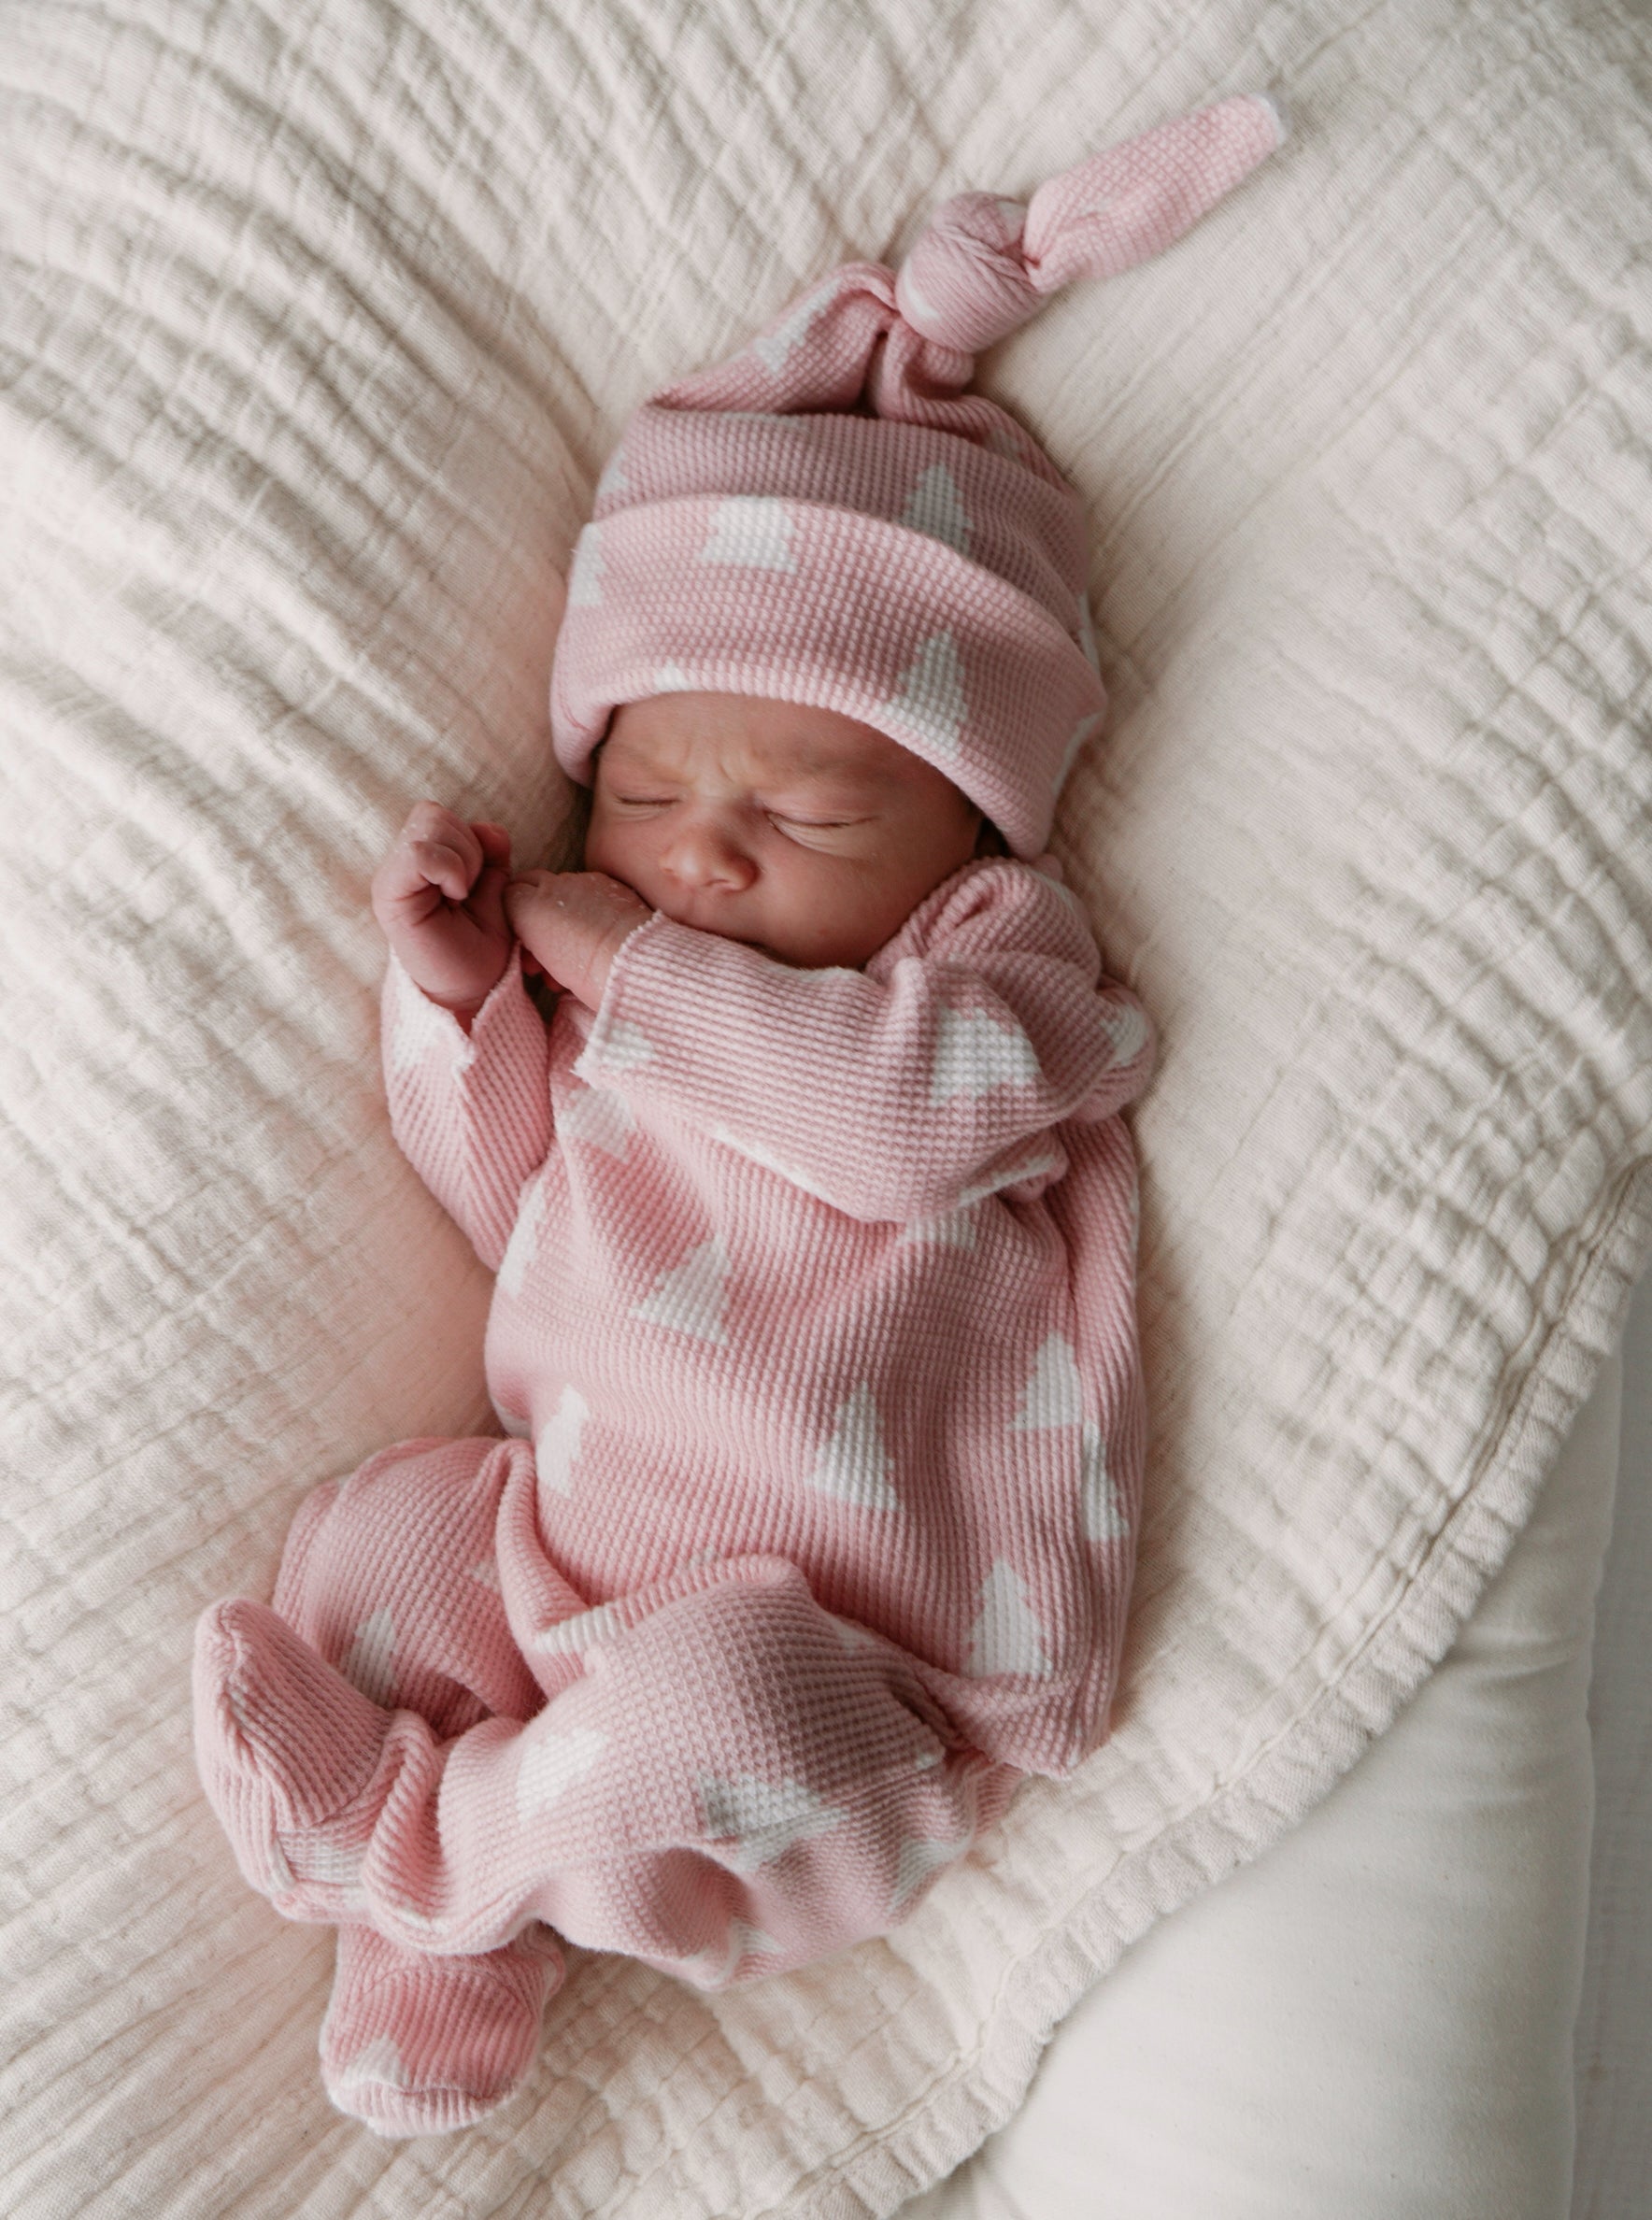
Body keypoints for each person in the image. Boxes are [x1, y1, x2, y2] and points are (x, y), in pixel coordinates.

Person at [192, 92, 1286, 2137]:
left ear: (966, 821)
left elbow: (882, 1134)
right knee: (376, 1547)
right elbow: (511, 1196)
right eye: (645, 797)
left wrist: (618, 961)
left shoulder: (993, 977)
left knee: (702, 1704)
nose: (695, 861)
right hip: (555, 1561)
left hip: (856, 1688)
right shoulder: (619, 1008)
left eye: (797, 814)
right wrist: (456, 1002)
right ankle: (450, 1940)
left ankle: (418, 1869)